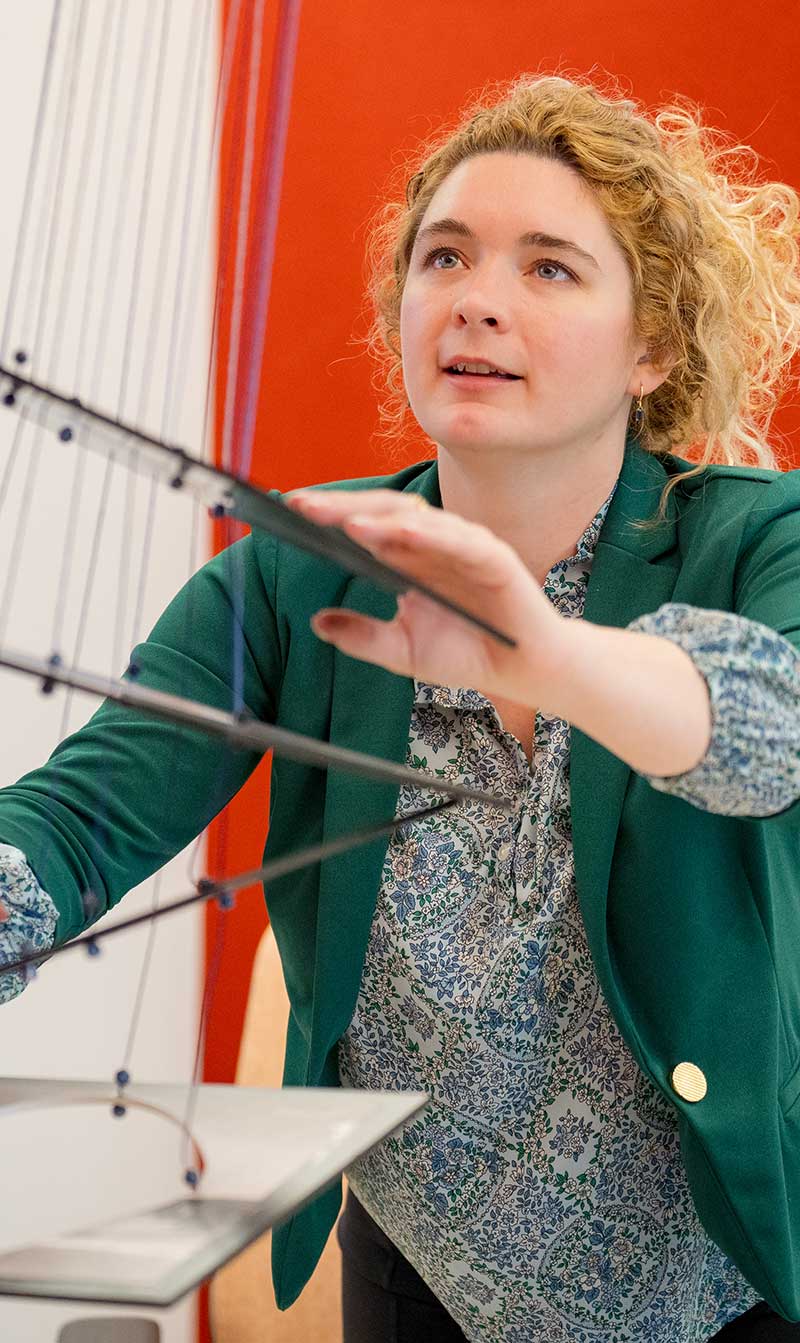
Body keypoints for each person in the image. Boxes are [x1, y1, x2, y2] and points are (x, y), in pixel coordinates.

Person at [1, 69, 800, 1342]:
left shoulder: (757, 536)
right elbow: (81, 821)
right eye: (445, 256)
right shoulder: (292, 567)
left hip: (733, 1275)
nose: (477, 298)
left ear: (650, 344)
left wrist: (537, 649)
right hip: (421, 1278)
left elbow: (768, 728)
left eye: (548, 268)